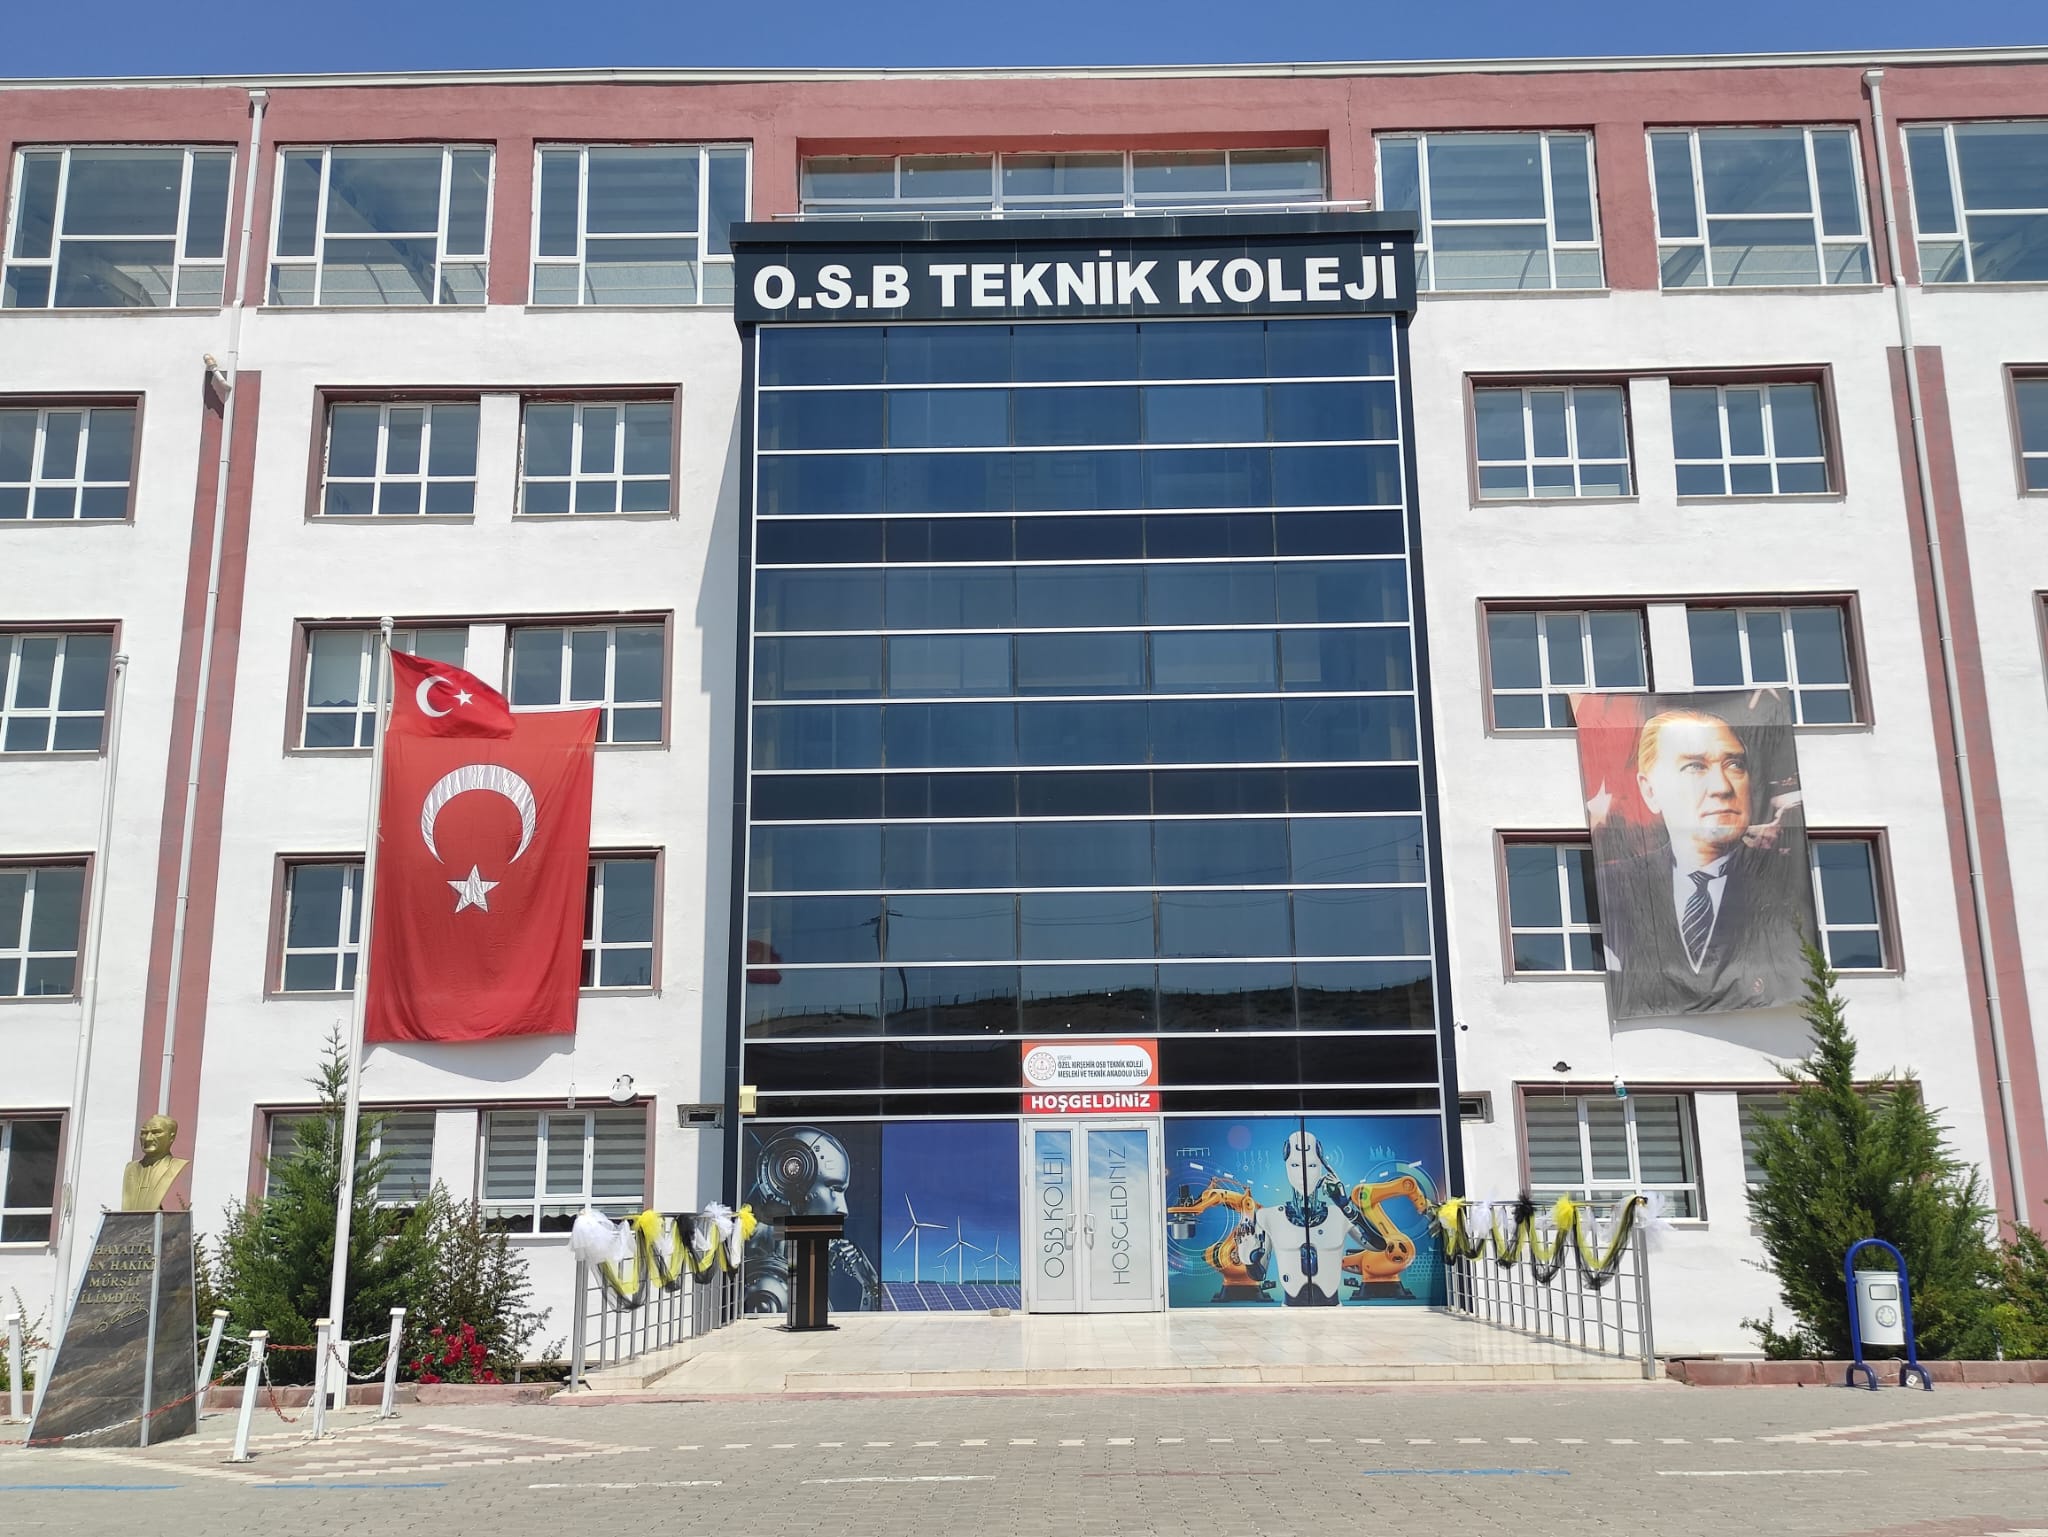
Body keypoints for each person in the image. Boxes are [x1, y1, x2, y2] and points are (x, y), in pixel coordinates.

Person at [1598, 707, 1810, 1018]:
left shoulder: (1789, 886)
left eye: (1735, 764)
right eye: (1695, 767)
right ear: (1650, 790)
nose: (1722, 787)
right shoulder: (1612, 887)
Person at [118, 1115, 188, 1211]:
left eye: (156, 1133)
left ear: (171, 1137)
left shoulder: (176, 1166)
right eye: (144, 1133)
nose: (148, 1139)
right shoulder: (130, 1168)